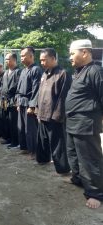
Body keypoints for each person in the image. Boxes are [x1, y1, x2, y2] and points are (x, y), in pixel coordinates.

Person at [65, 39, 103, 209]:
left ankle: (96, 193)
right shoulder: (79, 71)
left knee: (89, 159)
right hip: (73, 123)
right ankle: (79, 179)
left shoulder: (95, 71)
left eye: (73, 53)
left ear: (85, 52)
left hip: (86, 123)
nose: (70, 57)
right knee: (73, 155)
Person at [36, 48, 71, 174]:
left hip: (54, 115)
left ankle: (63, 168)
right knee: (42, 140)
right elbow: (40, 93)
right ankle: (43, 159)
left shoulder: (63, 73)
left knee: (58, 143)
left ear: (53, 58)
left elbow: (63, 97)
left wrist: (57, 116)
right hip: (42, 113)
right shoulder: (45, 74)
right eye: (40, 60)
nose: (42, 62)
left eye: (44, 60)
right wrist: (37, 110)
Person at [17, 47, 42, 158]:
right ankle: (25, 147)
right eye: (21, 56)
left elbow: (36, 89)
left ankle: (33, 150)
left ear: (31, 56)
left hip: (29, 102)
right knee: (21, 126)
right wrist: (18, 102)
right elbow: (18, 88)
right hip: (21, 102)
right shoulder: (23, 70)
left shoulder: (36, 69)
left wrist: (32, 106)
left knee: (30, 129)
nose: (21, 58)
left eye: (24, 56)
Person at [0, 53, 21, 149]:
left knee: (13, 121)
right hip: (4, 100)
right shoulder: (5, 72)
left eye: (8, 59)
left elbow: (18, 87)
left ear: (14, 60)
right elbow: (3, 87)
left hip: (13, 100)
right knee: (6, 120)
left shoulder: (18, 72)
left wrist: (15, 99)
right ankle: (8, 138)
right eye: (5, 59)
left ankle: (15, 141)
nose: (6, 61)